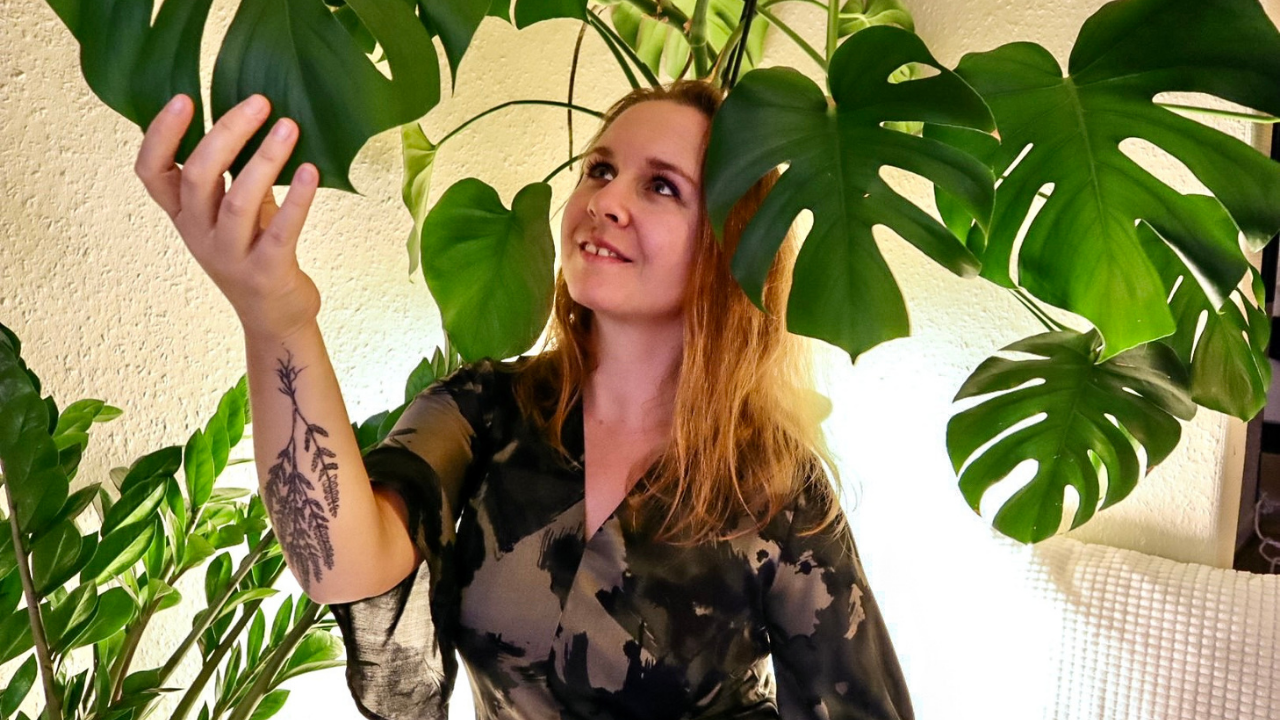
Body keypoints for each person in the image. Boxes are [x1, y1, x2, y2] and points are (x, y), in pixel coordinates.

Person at [135, 78, 913, 719]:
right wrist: (276, 318)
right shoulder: (482, 414)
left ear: (728, 243)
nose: (607, 200)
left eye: (661, 186)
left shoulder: (773, 488)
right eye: (600, 170)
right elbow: (337, 561)